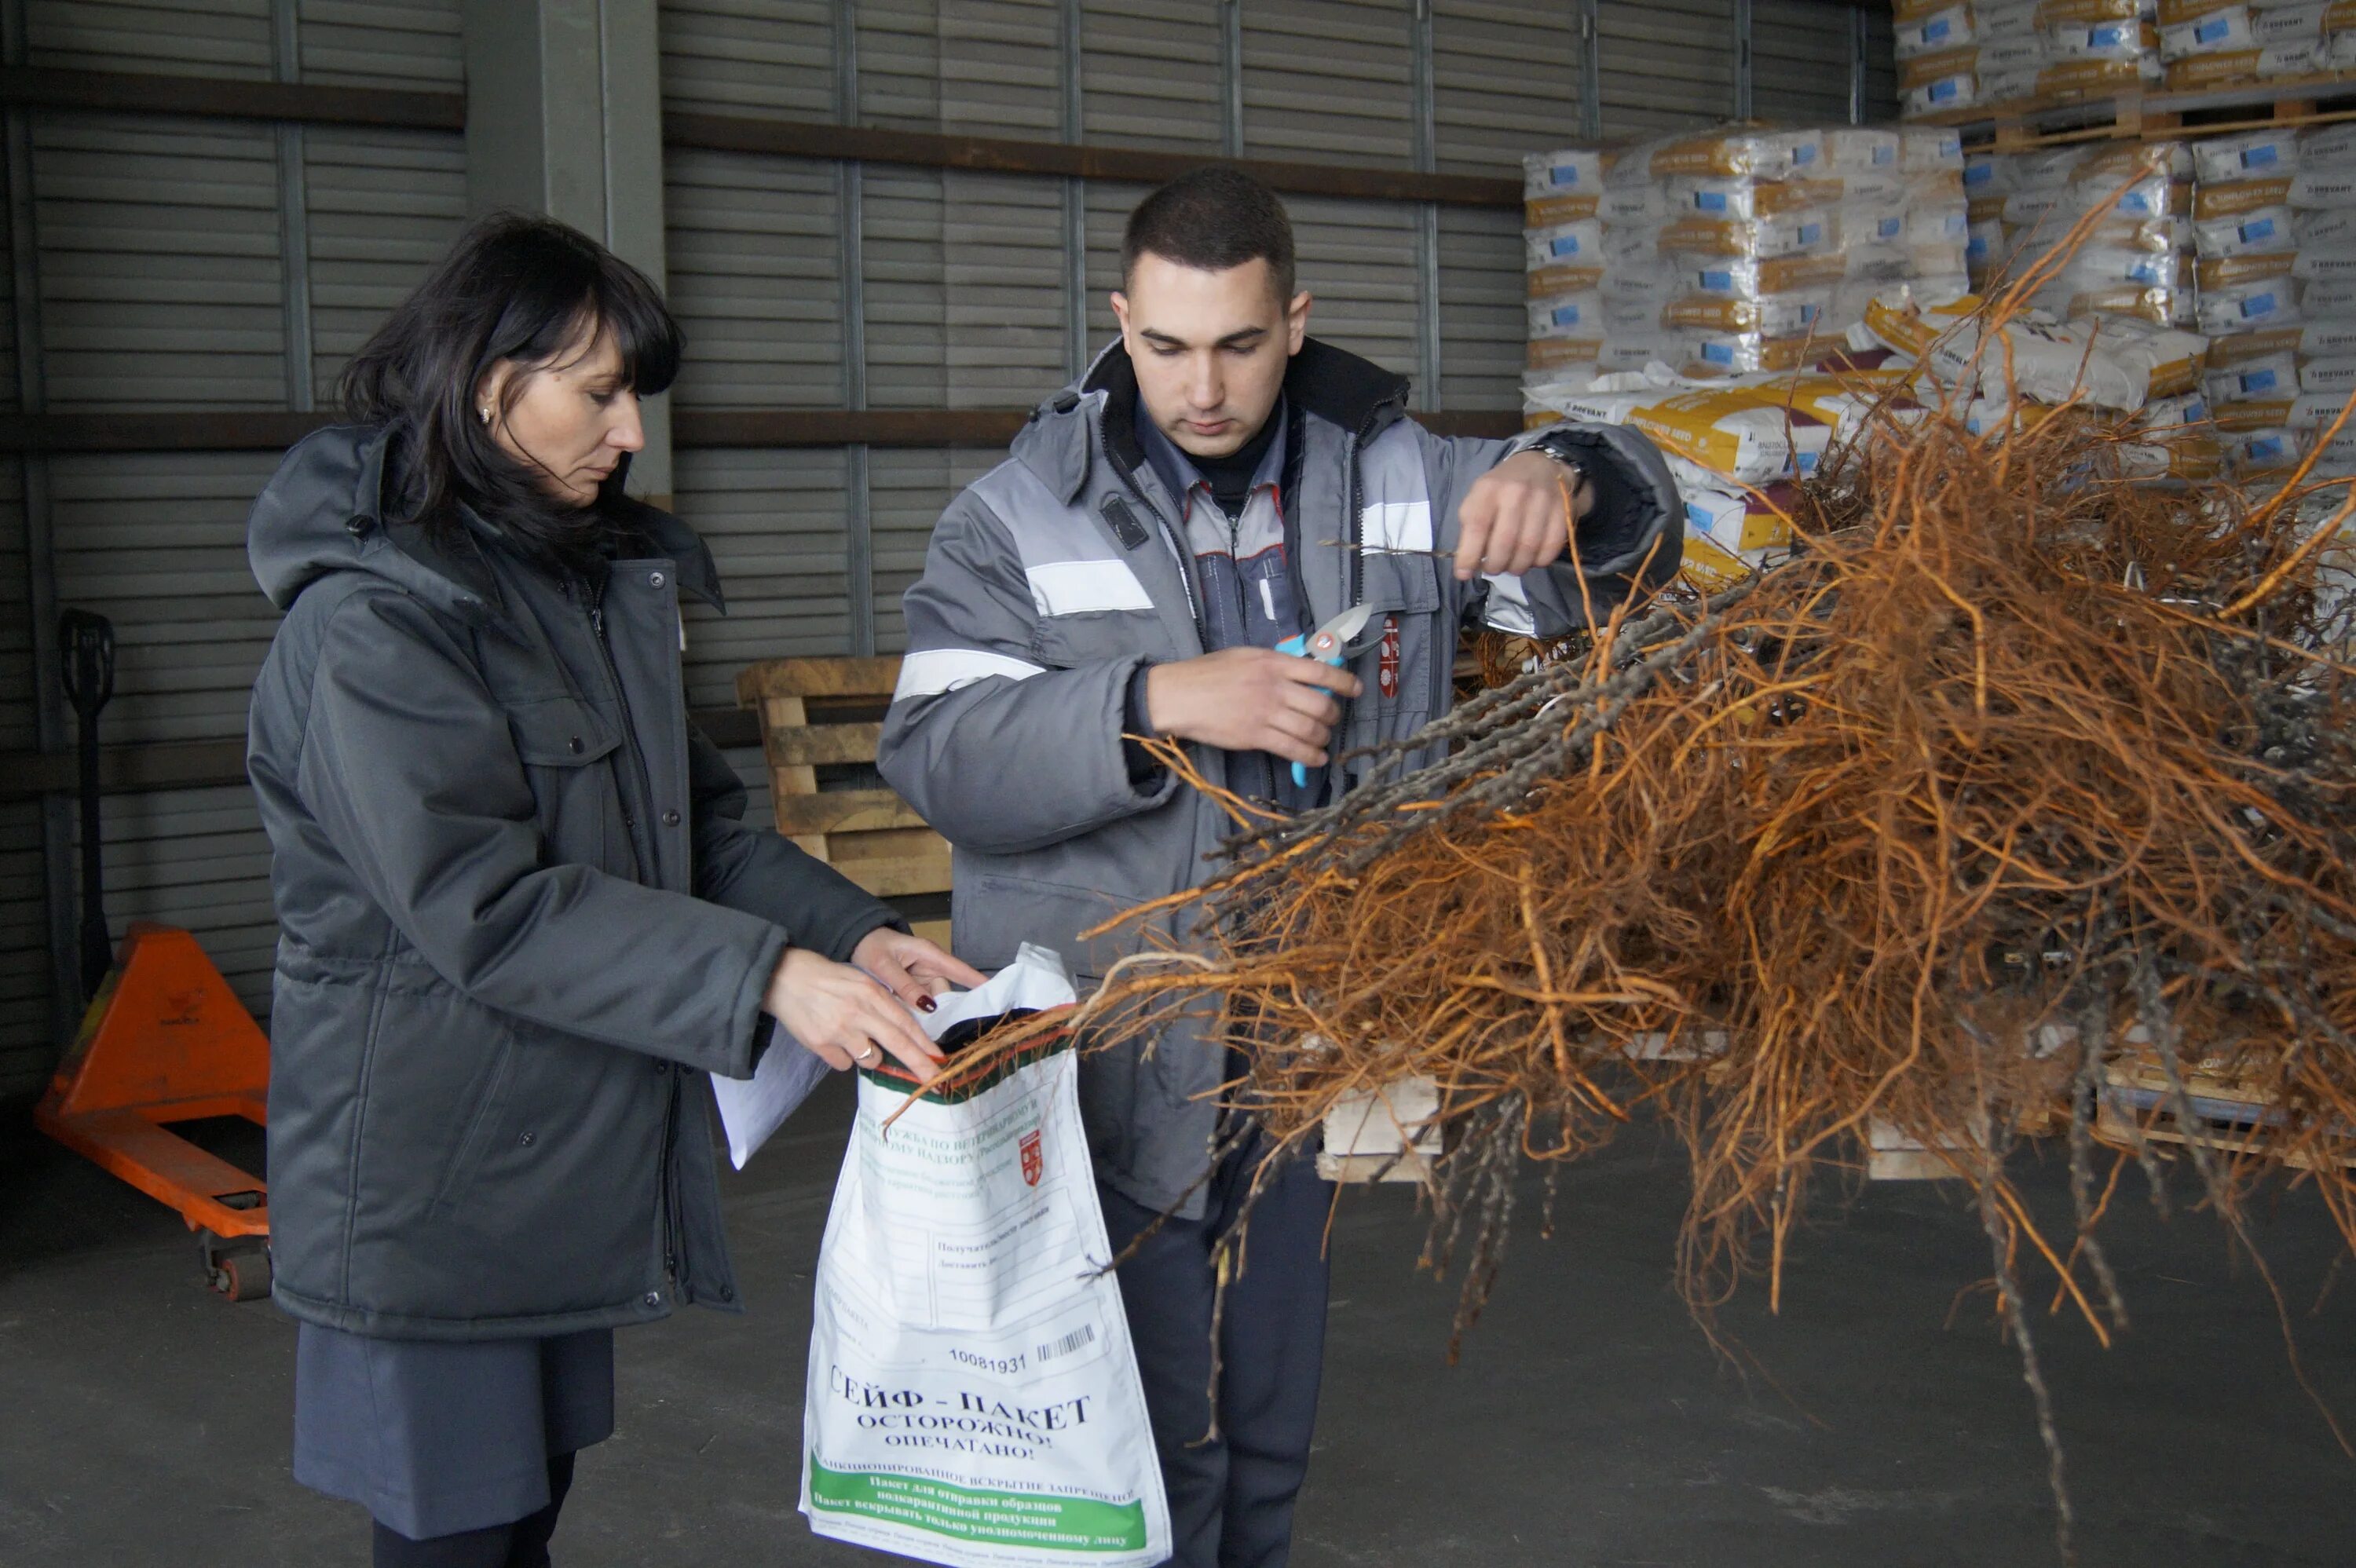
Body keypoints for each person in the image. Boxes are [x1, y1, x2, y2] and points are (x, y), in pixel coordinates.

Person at [876, 166, 1682, 1567]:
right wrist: (1153, 702)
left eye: (1241, 346)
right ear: (1119, 321)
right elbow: (939, 749)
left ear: (1294, 321)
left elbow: (1624, 560)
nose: (1204, 387)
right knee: (1117, 1442)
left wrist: (1576, 476)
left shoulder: (1404, 476)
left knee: (1265, 1427)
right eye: (1168, 346)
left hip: (1309, 1042)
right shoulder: (1015, 516)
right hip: (1107, 1050)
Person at [244, 210, 984, 1568]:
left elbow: (688, 827)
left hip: (550, 1157)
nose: (630, 430)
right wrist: (765, 976)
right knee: (459, 1537)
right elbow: (487, 903)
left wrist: (859, 937)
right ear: (487, 387)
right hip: (429, 1185)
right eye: (597, 394)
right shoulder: (371, 626)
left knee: (526, 1514)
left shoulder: (570, 582)